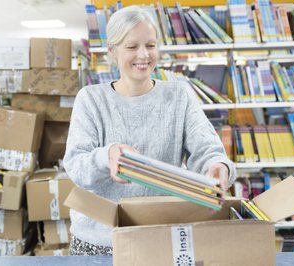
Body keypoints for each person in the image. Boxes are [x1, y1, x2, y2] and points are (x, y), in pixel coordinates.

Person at [63, 5, 236, 256]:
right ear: (113, 51)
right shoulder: (90, 99)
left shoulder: (179, 95)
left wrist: (218, 167)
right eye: (132, 47)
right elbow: (76, 167)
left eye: (151, 45)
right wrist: (107, 155)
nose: (143, 55)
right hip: (99, 240)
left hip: (160, 235)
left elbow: (208, 150)